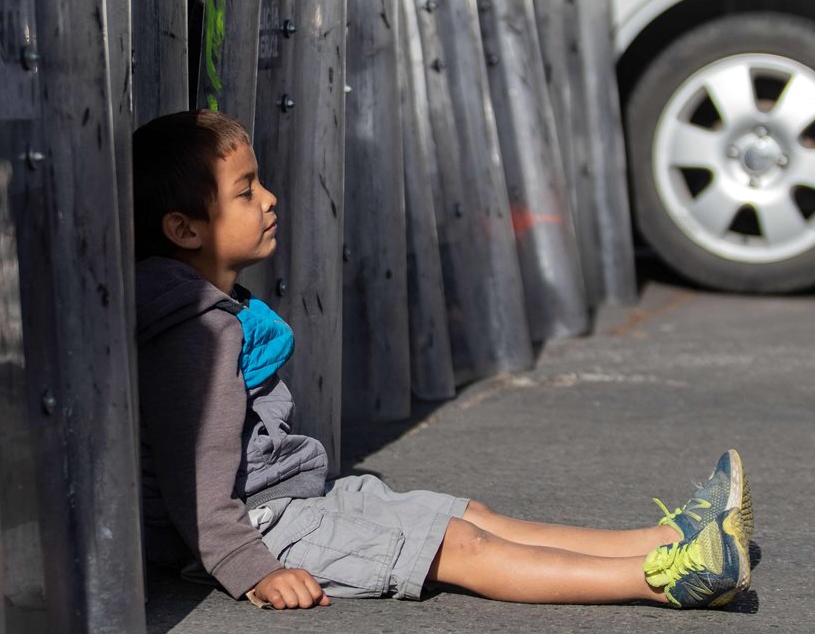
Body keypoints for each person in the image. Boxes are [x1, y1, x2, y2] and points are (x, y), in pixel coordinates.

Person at [132, 109, 754, 611]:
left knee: (471, 516)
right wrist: (253, 572)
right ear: (186, 230)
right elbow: (198, 480)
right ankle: (670, 577)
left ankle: (669, 538)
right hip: (261, 530)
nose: (269, 199)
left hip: (292, 500)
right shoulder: (195, 338)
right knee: (462, 547)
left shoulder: (211, 310)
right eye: (246, 192)